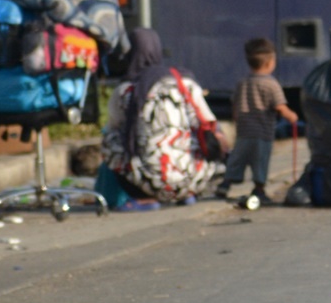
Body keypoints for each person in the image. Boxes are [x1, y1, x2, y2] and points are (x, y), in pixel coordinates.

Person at [98, 28, 225, 209]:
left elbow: (113, 127)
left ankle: (143, 199)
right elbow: (211, 125)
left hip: (150, 182)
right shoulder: (185, 82)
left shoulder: (125, 90)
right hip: (194, 180)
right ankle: (186, 195)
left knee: (109, 138)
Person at [213, 38, 298, 207]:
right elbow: (280, 106)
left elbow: (235, 106)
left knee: (237, 159)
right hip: (262, 133)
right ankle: (259, 189)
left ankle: (225, 184)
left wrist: (238, 120)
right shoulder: (271, 84)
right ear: (269, 63)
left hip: (244, 132)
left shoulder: (242, 83)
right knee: (260, 162)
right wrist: (292, 116)